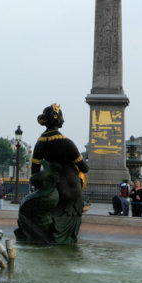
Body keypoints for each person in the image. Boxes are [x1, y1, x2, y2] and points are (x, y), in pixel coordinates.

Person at [28, 104, 89, 243]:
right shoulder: (67, 143)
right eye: (62, 116)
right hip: (71, 190)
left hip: (51, 190)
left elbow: (34, 172)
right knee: (68, 230)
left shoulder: (40, 143)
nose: (63, 120)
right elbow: (84, 168)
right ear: (56, 118)